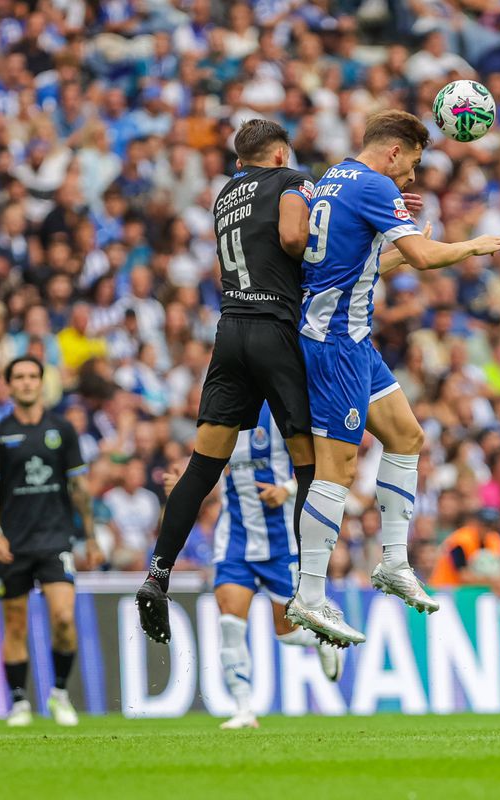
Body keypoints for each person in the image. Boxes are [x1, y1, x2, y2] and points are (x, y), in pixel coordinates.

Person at [286, 110, 500, 645]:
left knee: (408, 436)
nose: (410, 178)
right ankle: (310, 596)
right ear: (392, 151)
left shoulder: (334, 178)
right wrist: (471, 246)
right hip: (334, 343)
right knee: (336, 471)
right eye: (410, 165)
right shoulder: (371, 184)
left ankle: (393, 562)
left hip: (356, 341)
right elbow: (425, 256)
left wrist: (401, 253)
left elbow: (354, 267)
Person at [135, 119, 317, 644]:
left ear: (240, 162)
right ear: (281, 154)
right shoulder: (291, 180)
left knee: (201, 467)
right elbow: (290, 236)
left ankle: (158, 573)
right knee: (310, 463)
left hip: (229, 332)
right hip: (274, 332)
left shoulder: (224, 194)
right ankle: (309, 589)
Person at [163, 404, 341, 730]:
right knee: (230, 621)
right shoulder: (222, 414)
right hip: (235, 539)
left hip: (281, 541)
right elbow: (208, 471)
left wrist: (286, 490)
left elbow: (322, 461)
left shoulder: (282, 410)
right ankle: (244, 709)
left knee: (286, 633)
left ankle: (319, 639)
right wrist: (183, 489)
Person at [0, 355, 104, 727]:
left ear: (41, 382)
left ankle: (60, 694)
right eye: (20, 377)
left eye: (33, 376)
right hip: (13, 543)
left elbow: (79, 486)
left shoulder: (62, 430)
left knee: (64, 618)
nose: (27, 382)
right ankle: (19, 702)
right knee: (15, 625)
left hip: (55, 540)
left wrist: (91, 536)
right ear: (9, 385)